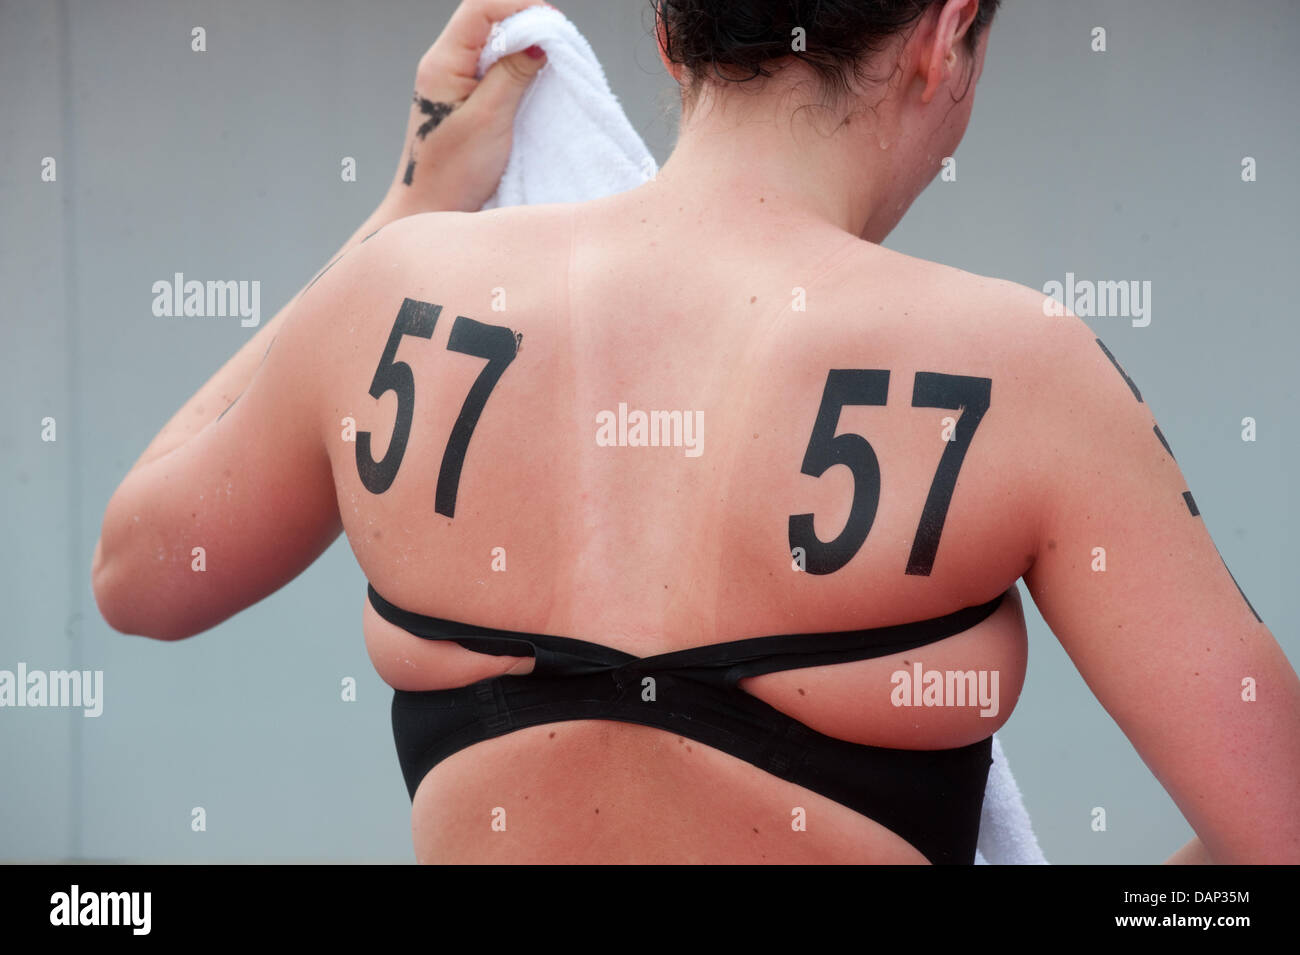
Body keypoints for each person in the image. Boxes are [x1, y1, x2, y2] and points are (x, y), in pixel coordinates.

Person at [92, 0, 1300, 864]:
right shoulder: (1027, 369)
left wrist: (407, 201)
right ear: (946, 38)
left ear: (668, 39)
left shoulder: (390, 299)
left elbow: (137, 575)